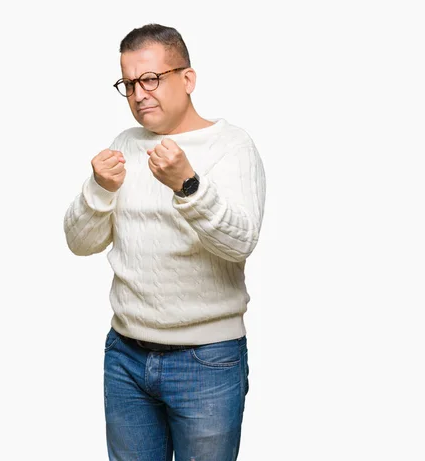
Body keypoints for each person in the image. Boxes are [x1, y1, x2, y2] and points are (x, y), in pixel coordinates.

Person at [63, 23, 266, 461]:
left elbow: (240, 243)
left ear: (187, 79)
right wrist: (98, 190)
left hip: (207, 360)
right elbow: (80, 243)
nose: (140, 94)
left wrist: (188, 185)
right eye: (130, 83)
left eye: (151, 79)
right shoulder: (124, 144)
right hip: (126, 356)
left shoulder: (231, 146)